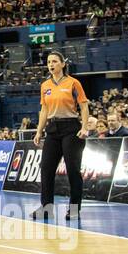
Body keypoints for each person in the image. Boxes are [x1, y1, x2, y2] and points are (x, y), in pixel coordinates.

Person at [32, 50, 89, 221]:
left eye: (55, 61)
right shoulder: (45, 86)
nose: (51, 64)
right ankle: (46, 208)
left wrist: (85, 127)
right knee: (46, 169)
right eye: (49, 62)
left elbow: (84, 107)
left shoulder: (73, 83)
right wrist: (39, 131)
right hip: (53, 128)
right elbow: (44, 110)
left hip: (71, 128)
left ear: (63, 64)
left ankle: (74, 209)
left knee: (73, 170)